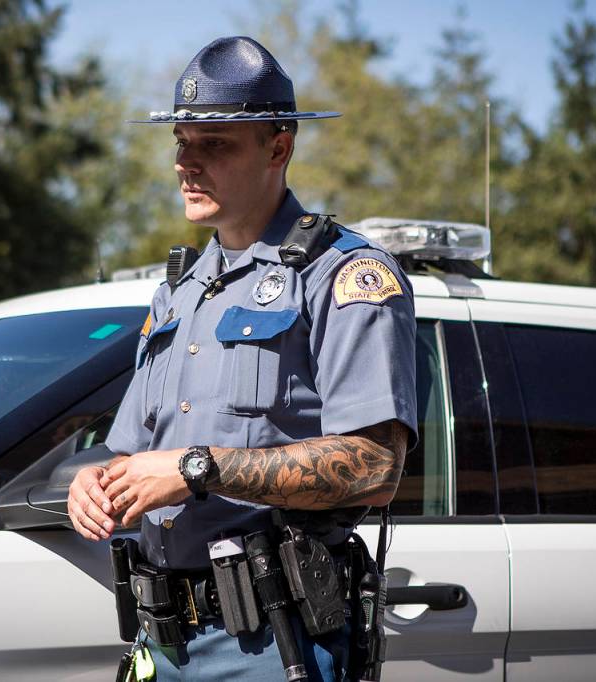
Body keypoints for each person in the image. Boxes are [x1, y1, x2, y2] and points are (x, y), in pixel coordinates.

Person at [67, 36, 417, 681]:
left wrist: (200, 469)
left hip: (269, 644)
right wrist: (94, 482)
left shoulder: (345, 275)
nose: (187, 163)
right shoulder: (179, 288)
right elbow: (136, 456)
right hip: (161, 640)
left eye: (216, 144)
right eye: (181, 142)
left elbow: (374, 466)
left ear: (278, 147)